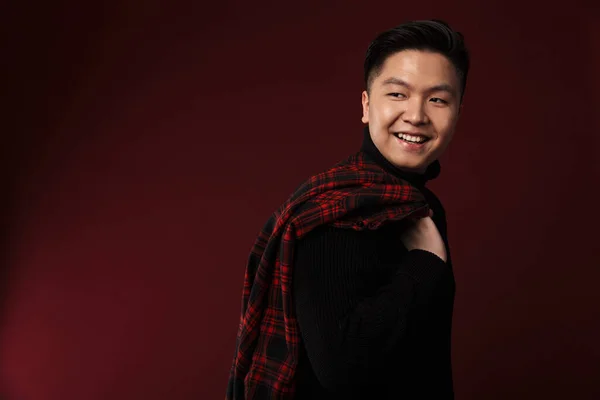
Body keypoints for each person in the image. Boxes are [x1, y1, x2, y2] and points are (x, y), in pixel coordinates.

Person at [227, 19, 469, 399]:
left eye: (437, 99)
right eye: (398, 94)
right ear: (366, 105)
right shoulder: (336, 211)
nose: (417, 115)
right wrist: (424, 262)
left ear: (457, 113)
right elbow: (343, 368)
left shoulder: (423, 208)